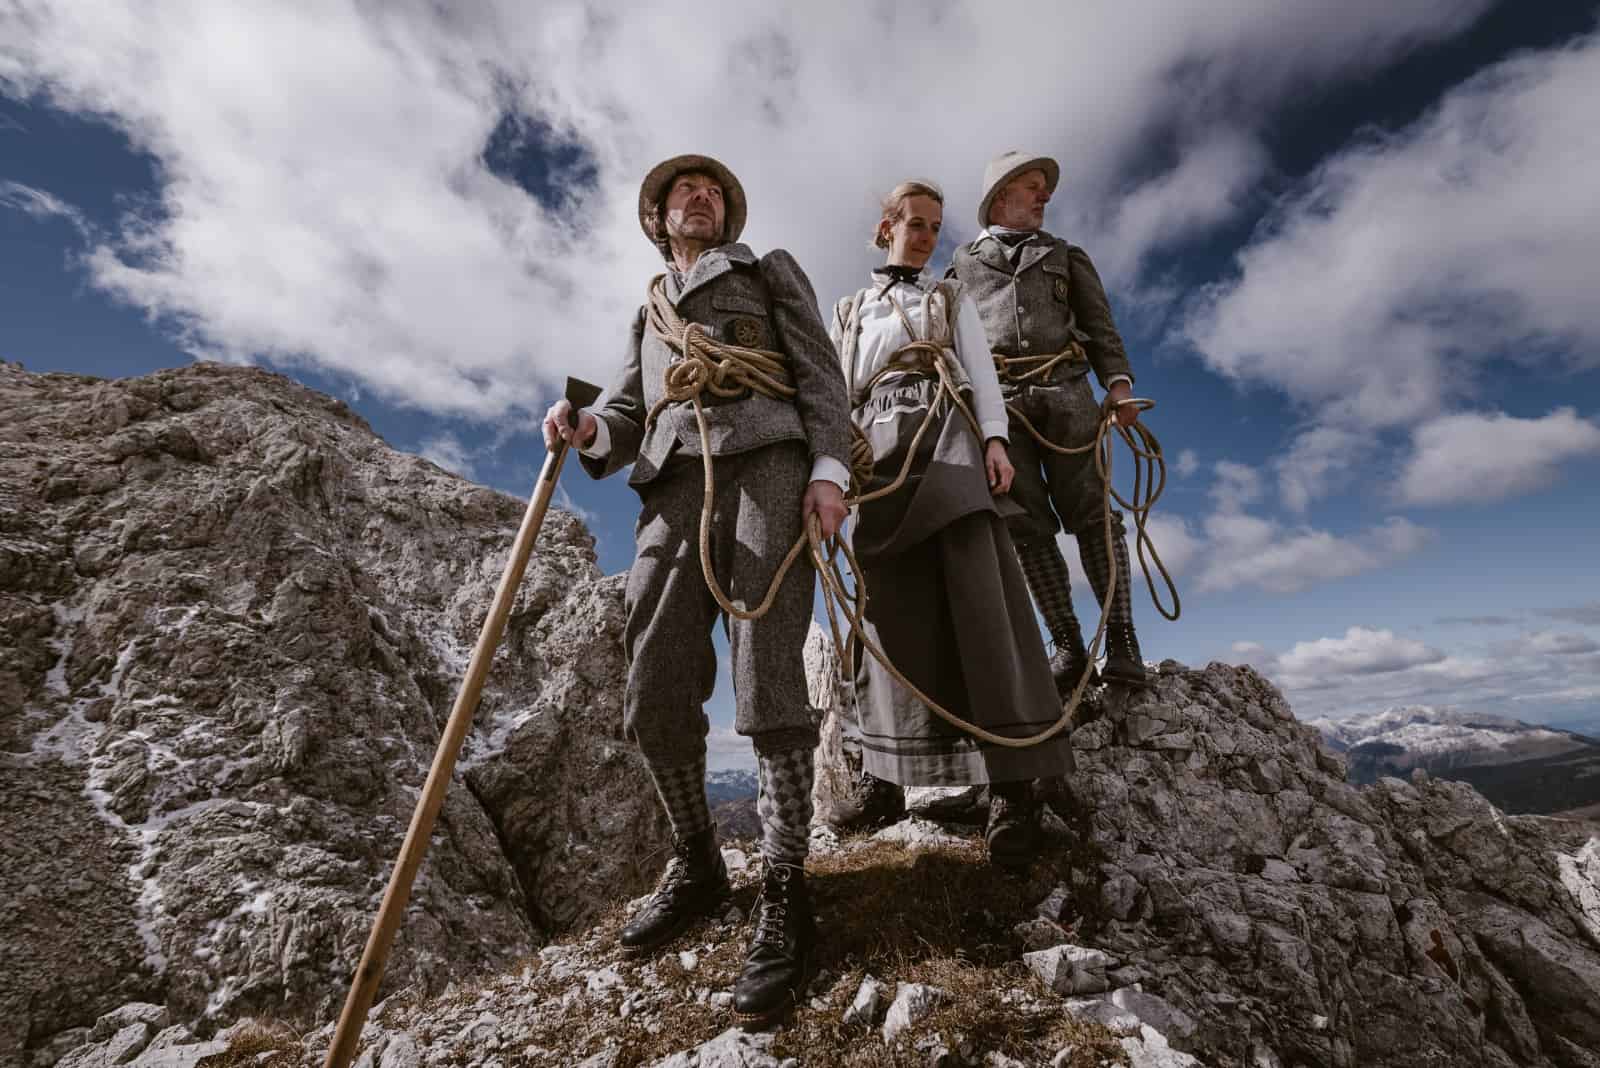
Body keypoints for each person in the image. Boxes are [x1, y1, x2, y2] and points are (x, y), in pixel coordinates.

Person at [542, 154, 850, 1028]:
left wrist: (829, 467)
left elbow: (818, 369)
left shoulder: (768, 269)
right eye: (684, 191)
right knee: (654, 677)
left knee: (767, 665)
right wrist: (590, 426)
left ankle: (785, 885)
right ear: (658, 217)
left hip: (769, 464)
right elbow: (628, 408)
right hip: (671, 488)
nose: (701, 197)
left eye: (712, 191)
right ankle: (699, 861)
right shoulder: (647, 309)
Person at [823, 179, 1072, 869]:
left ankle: (1013, 787)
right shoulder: (847, 312)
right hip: (875, 450)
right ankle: (885, 779)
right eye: (916, 224)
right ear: (886, 227)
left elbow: (981, 369)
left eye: (936, 226)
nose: (928, 236)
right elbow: (832, 393)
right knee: (883, 612)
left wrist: (994, 439)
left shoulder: (947, 297)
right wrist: (832, 474)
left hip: (947, 432)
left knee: (981, 598)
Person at [947, 151, 1150, 691]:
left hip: (1069, 399)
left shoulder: (1065, 255)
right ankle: (1067, 644)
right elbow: (948, 347)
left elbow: (1100, 326)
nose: (1044, 197)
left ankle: (1123, 640)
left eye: (1044, 189)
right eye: (1033, 187)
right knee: (1026, 527)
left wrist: (1120, 387)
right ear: (1000, 196)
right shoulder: (959, 268)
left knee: (1095, 517)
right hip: (999, 411)